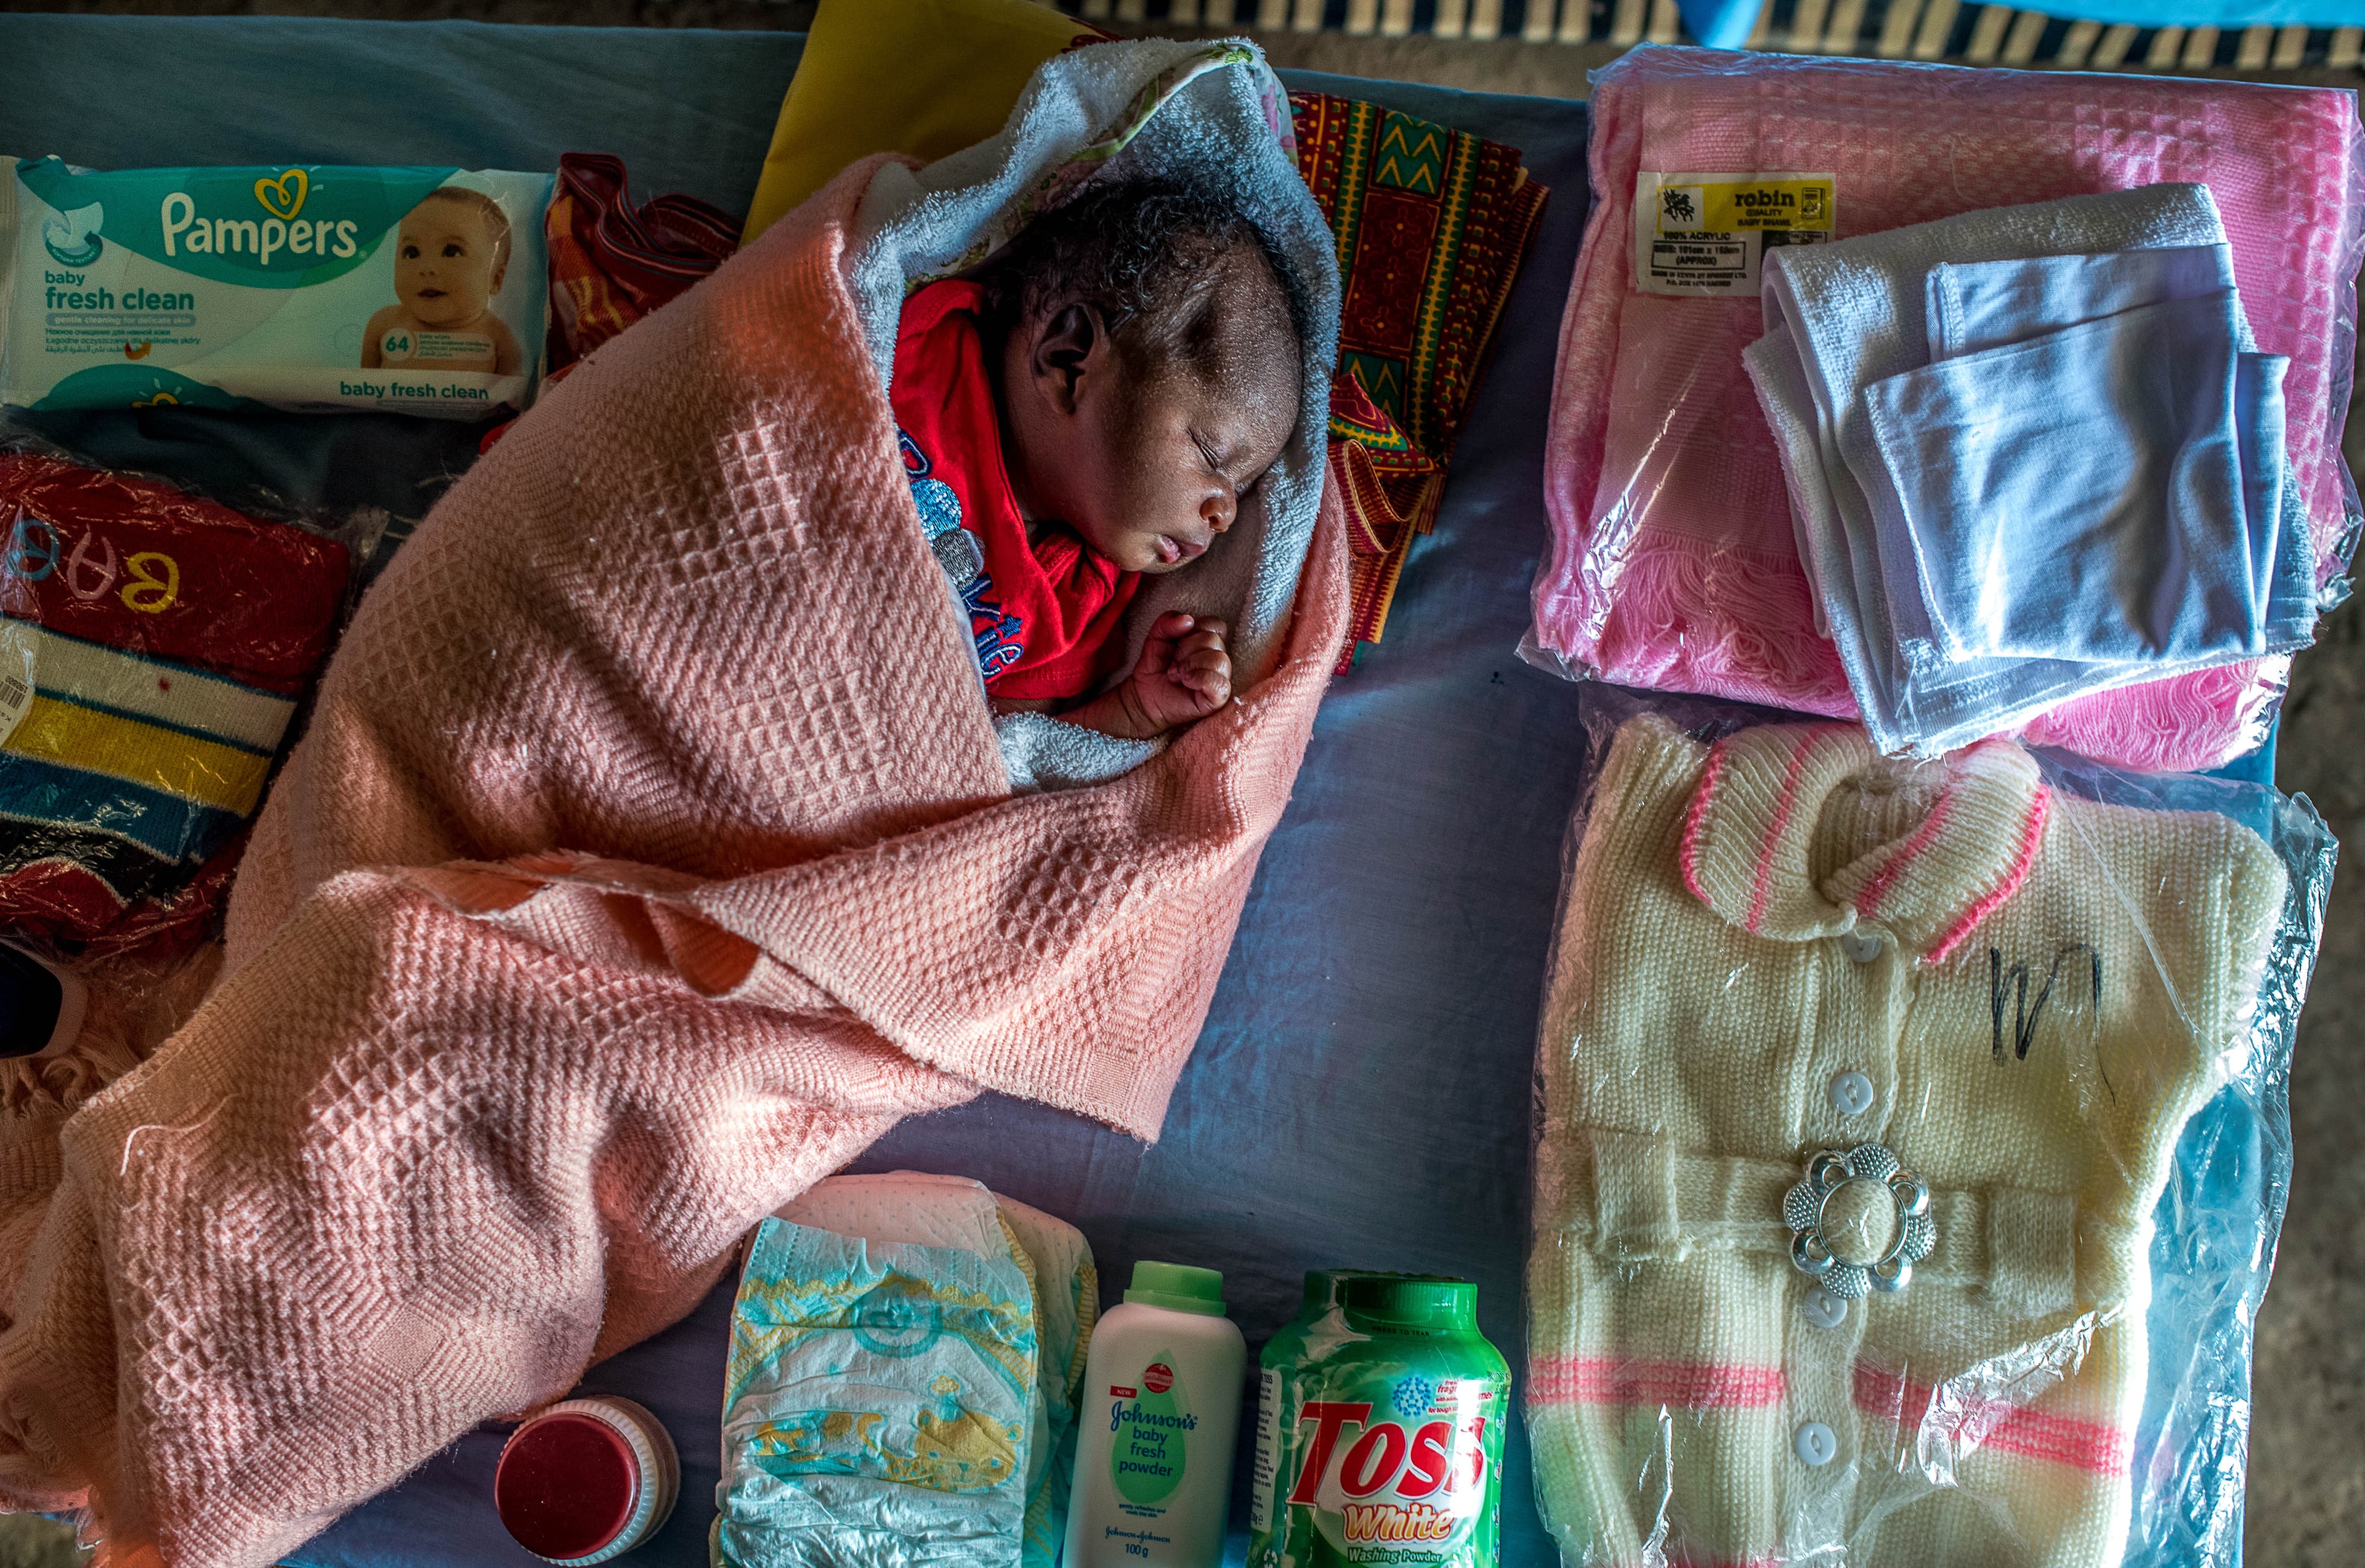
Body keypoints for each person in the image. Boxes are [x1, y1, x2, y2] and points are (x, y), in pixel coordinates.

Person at [890, 176, 1304, 742]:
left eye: (1241, 486)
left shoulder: (1077, 600)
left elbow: (998, 750)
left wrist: (1136, 712)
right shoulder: (921, 352)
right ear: (1068, 360)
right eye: (1212, 454)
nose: (1225, 512)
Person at [362, 185, 524, 376]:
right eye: (412, 253)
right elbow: (364, 388)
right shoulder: (383, 324)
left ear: (495, 279)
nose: (427, 268)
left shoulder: (499, 338)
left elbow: (513, 398)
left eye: (451, 251)